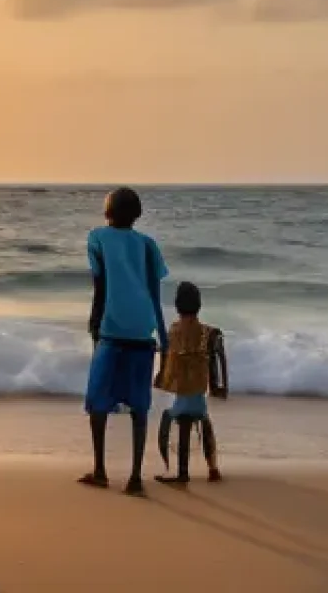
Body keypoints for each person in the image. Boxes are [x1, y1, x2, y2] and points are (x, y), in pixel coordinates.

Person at [80, 187, 168, 497]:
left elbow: (99, 287)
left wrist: (94, 323)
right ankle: (134, 477)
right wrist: (164, 338)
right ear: (137, 215)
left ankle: (101, 470)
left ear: (107, 213)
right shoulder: (147, 245)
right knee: (139, 406)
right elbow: (156, 298)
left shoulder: (98, 239)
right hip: (143, 334)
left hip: (112, 332)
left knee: (97, 403)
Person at [153, 281, 228, 485]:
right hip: (198, 391)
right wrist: (220, 386)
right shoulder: (207, 332)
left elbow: (167, 356)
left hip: (182, 392)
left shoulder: (174, 330)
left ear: (177, 305)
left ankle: (180, 471)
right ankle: (213, 468)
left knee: (173, 416)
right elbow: (220, 356)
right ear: (199, 305)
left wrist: (161, 378)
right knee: (205, 423)